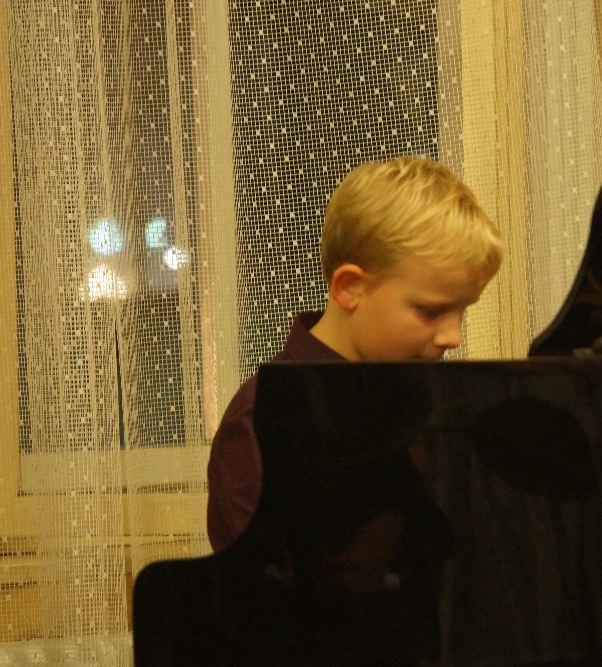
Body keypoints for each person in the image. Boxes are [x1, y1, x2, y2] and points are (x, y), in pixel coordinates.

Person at [203, 155, 504, 664]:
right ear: (349, 288)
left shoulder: (421, 404)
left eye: (463, 311)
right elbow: (268, 614)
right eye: (431, 310)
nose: (453, 337)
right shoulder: (261, 419)